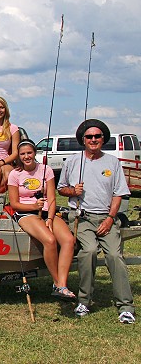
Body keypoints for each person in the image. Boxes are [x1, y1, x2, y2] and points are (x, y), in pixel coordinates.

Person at [57, 119, 135, 324]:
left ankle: (125, 306)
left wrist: (110, 219)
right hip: (82, 218)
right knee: (89, 251)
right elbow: (61, 188)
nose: (93, 140)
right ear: (83, 140)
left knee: (115, 256)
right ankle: (84, 300)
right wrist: (73, 191)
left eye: (97, 136)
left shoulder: (112, 162)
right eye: (89, 137)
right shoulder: (72, 161)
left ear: (103, 139)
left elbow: (119, 194)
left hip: (107, 218)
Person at [7, 139, 76, 301]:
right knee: (50, 240)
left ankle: (62, 284)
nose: (26, 156)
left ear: (35, 153)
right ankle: (58, 283)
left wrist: (51, 218)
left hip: (46, 212)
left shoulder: (46, 170)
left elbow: (52, 198)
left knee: (68, 240)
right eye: (22, 154)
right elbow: (14, 204)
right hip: (25, 213)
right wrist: (33, 206)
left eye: (29, 153)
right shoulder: (14, 174)